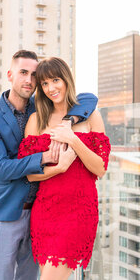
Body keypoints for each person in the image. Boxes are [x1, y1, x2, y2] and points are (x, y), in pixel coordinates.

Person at [0, 50, 98, 280]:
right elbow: (2, 168)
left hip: (40, 214)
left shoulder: (40, 105)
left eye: (34, 75)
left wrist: (68, 120)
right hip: (8, 213)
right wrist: (44, 158)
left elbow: (90, 99)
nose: (29, 80)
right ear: (10, 75)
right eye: (23, 73)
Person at [18, 57, 111, 280]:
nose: (51, 88)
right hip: (45, 211)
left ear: (66, 79)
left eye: (56, 80)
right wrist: (59, 168)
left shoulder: (90, 115)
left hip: (78, 212)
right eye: (45, 84)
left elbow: (100, 168)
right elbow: (29, 175)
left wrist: (74, 140)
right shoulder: (35, 120)